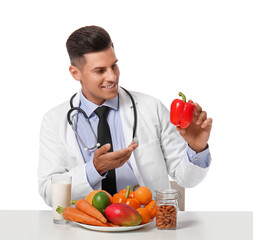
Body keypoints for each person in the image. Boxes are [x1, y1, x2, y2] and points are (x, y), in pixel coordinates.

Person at [38, 25, 212, 207]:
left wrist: (197, 148)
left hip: (148, 225)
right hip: (88, 228)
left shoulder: (151, 108)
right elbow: (49, 192)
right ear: (75, 73)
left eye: (114, 65)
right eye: (100, 71)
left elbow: (187, 180)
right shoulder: (54, 121)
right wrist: (95, 169)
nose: (112, 77)